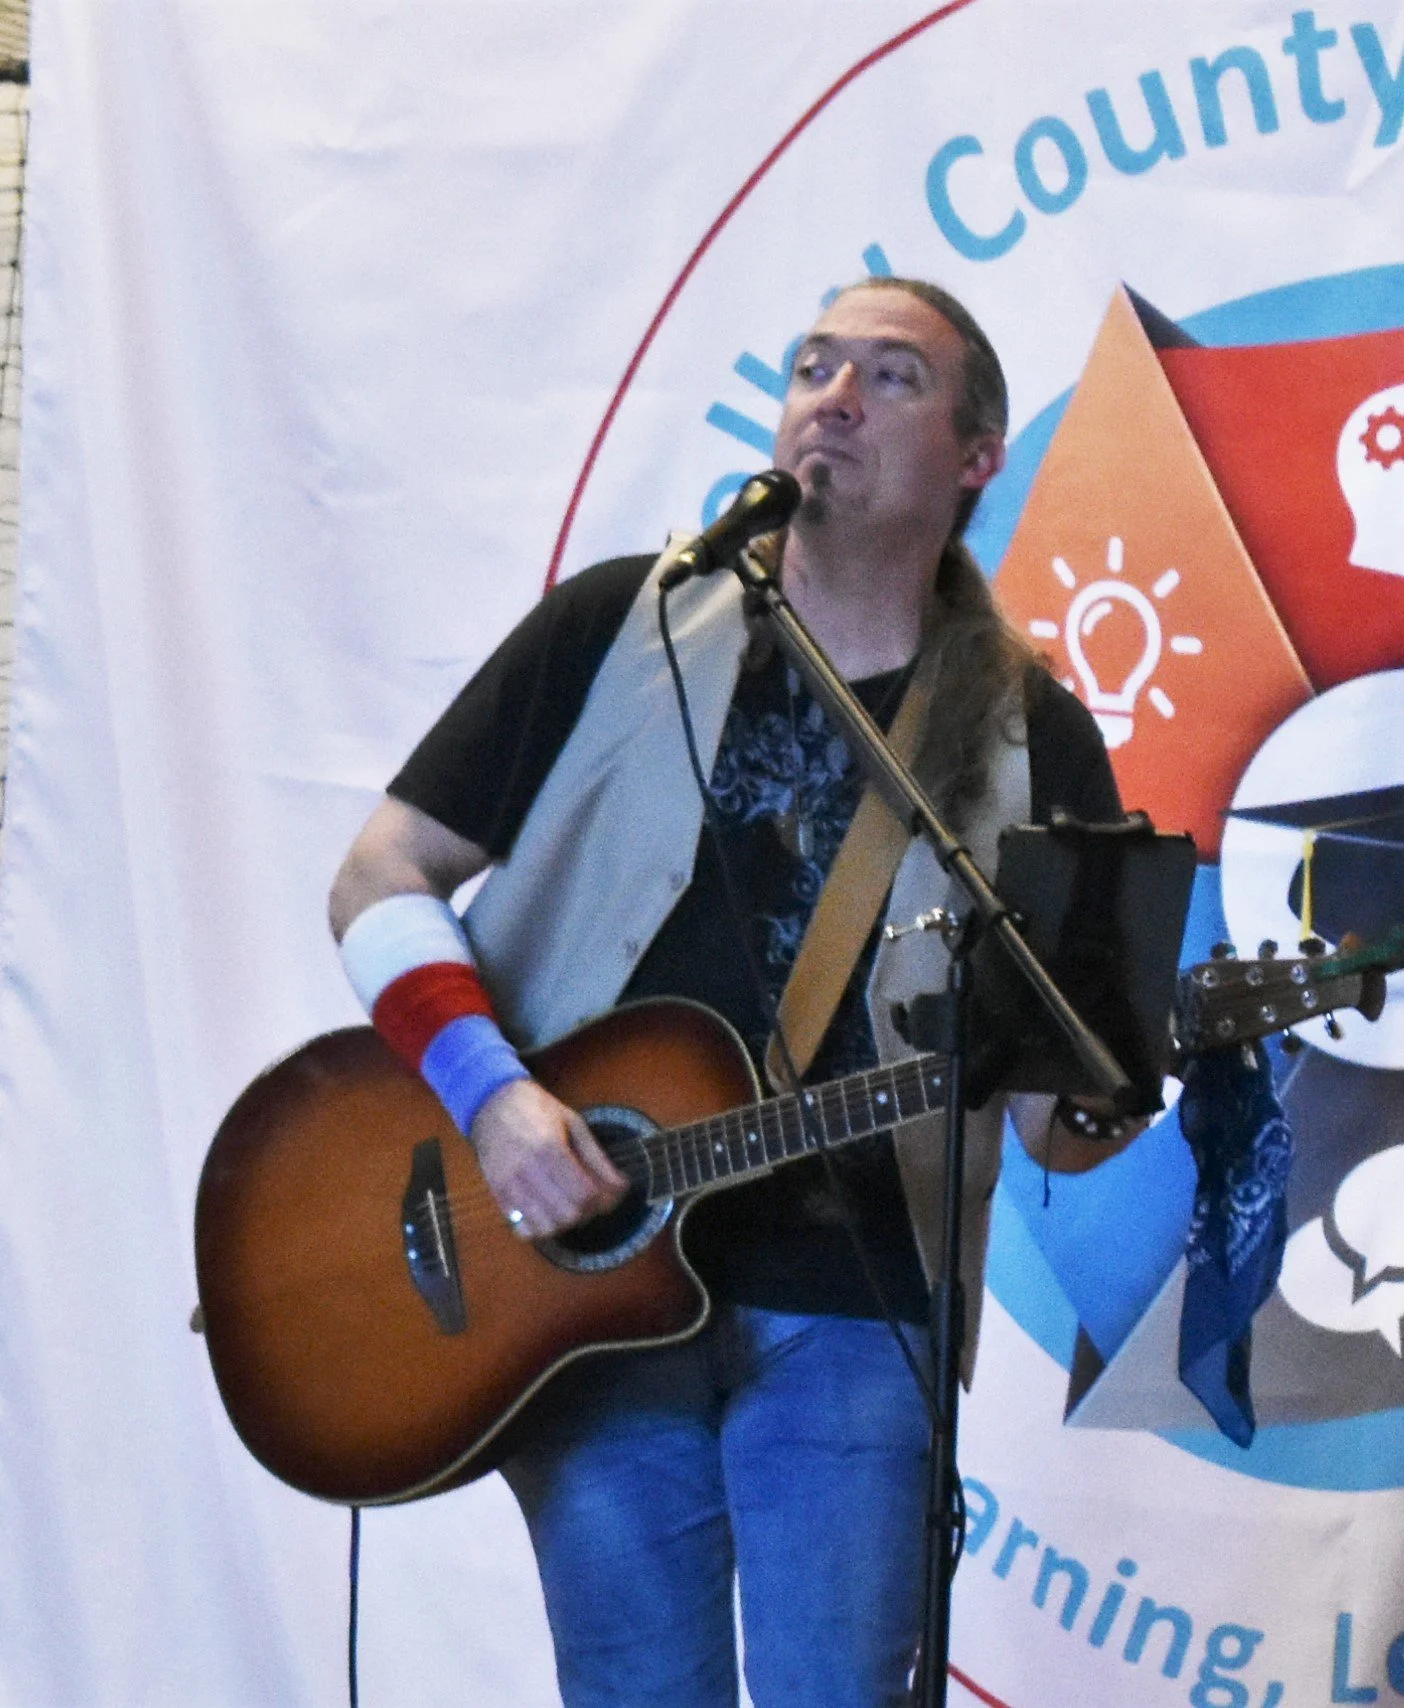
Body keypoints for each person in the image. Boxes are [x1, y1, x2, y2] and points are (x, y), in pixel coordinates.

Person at [328, 277, 1123, 1706]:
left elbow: (1069, 1120)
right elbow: (378, 874)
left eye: (890, 376)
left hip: (856, 1308)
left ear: (974, 458)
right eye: (814, 364)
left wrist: (1111, 1081)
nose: (833, 393)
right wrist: (492, 1100)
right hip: (588, 1301)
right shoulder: (610, 628)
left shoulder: (1035, 737)